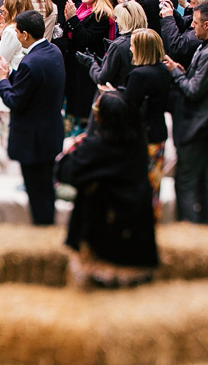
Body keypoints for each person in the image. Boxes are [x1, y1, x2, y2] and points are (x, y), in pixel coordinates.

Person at [56, 91, 158, 288]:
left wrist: (73, 148)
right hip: (135, 227)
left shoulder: (97, 148)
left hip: (103, 228)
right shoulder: (138, 144)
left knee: (102, 287)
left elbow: (65, 172)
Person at [0, 10, 66, 225]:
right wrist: (11, 74)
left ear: (24, 35)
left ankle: (43, 233)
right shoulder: (52, 51)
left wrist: (2, 79)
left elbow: (15, 100)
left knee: (37, 193)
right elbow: (35, 85)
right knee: (46, 190)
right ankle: (46, 226)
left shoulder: (30, 63)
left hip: (34, 139)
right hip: (50, 133)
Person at [163, 2, 208, 224]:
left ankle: (190, 231)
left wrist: (175, 73)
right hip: (206, 126)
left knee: (186, 184)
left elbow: (192, 91)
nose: (191, 27)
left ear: (207, 24)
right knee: (203, 184)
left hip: (197, 128)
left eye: (194, 23)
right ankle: (205, 226)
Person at [119, 28, 172, 216]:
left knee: (137, 181)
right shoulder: (164, 70)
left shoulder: (139, 75)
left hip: (140, 136)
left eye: (133, 45)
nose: (131, 49)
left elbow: (128, 107)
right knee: (154, 182)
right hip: (158, 132)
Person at [63, 0, 116, 131]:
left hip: (88, 63)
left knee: (83, 99)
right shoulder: (81, 8)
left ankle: (82, 130)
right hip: (75, 62)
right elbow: (70, 31)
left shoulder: (101, 14)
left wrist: (72, 19)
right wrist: (69, 19)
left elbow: (87, 38)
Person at [158, 0, 208, 69]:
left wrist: (168, 18)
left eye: (193, 3)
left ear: (205, 5)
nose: (189, 5)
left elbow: (177, 48)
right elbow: (184, 25)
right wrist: (172, 12)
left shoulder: (206, 28)